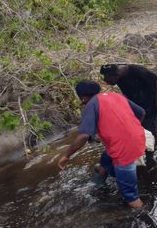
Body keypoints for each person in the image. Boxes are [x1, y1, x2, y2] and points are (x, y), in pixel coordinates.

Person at [57, 81, 147, 209]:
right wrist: (130, 129)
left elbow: (84, 136)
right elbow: (141, 113)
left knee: (130, 195)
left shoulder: (91, 105)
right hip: (138, 138)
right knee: (104, 162)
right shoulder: (116, 95)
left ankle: (142, 214)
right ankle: (97, 185)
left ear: (82, 98)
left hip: (124, 149)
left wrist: (66, 155)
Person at [100, 64, 157, 169]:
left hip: (150, 106)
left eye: (107, 78)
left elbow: (156, 82)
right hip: (135, 108)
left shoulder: (138, 71)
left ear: (116, 74)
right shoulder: (118, 78)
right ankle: (136, 154)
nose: (106, 81)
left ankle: (150, 157)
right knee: (134, 130)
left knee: (151, 130)